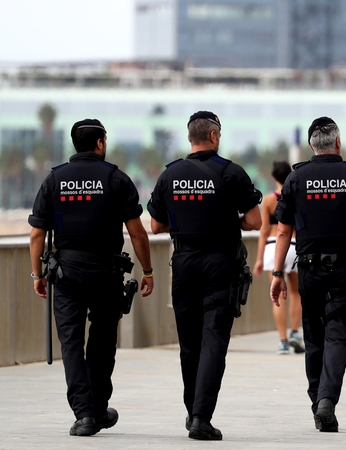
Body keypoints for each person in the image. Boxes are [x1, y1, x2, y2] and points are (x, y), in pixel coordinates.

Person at [28, 119, 154, 436]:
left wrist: (37, 274)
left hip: (66, 273)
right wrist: (148, 270)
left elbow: (36, 235)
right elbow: (137, 234)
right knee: (102, 341)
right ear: (100, 143)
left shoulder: (54, 179)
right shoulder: (116, 178)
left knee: (70, 343)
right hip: (105, 273)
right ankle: (97, 408)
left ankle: (85, 414)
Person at [148, 111, 263, 441]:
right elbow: (254, 221)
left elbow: (155, 226)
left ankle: (191, 412)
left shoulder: (171, 175)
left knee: (189, 344)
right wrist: (229, 223)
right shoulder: (231, 172)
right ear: (214, 136)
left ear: (190, 138)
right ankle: (201, 417)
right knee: (214, 340)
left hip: (183, 263)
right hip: (220, 263)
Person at [270, 116, 346, 432]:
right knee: (338, 335)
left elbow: (283, 232)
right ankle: (326, 402)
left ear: (311, 146)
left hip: (308, 269)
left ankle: (316, 402)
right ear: (338, 142)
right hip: (345, 271)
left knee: (313, 335)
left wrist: (278, 272)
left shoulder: (296, 179)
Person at [254, 161, 304, 355]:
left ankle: (282, 341)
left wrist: (259, 259)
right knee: (294, 293)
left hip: (271, 248)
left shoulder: (268, 200)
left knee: (277, 296)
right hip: (292, 245)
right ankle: (295, 333)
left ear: (274, 178)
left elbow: (264, 231)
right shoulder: (296, 197)